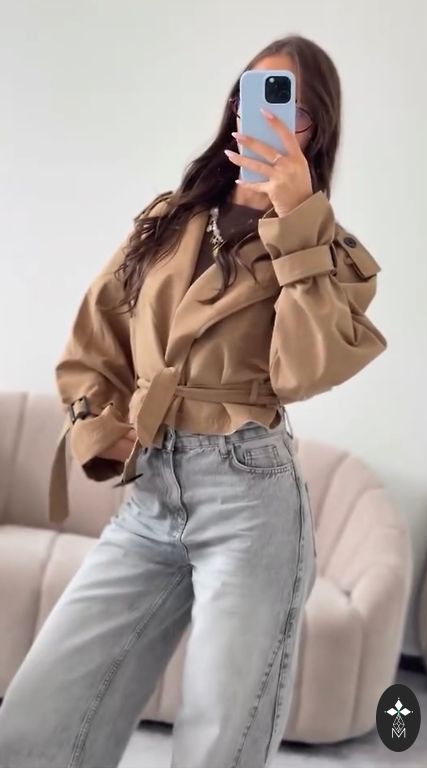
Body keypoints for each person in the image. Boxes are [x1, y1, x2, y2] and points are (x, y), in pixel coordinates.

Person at [0, 33, 387, 768]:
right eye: (251, 93)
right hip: (151, 496)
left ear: (313, 130)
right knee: (35, 721)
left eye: (288, 105)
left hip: (250, 502)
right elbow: (95, 338)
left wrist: (296, 221)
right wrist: (99, 426)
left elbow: (304, 371)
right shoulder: (171, 220)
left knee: (218, 744)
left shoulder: (328, 254)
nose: (261, 115)